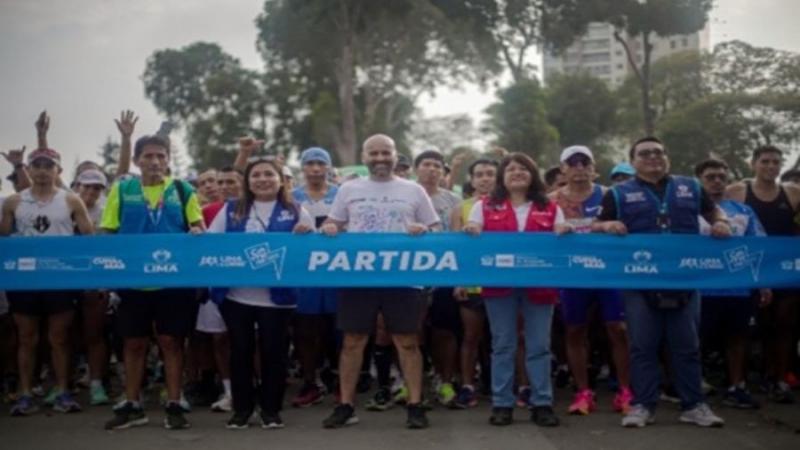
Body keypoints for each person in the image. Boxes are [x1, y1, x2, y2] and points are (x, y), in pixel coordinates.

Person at [594, 136, 729, 428]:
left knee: (687, 346)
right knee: (643, 346)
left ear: (667, 157)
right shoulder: (617, 193)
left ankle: (694, 405)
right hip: (640, 281)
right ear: (633, 161)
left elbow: (714, 211)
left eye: (658, 152)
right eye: (644, 154)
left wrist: (721, 222)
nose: (653, 157)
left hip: (685, 278)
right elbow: (595, 225)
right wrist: (607, 225)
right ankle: (643, 405)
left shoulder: (691, 186)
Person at [321, 134, 440, 430]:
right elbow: (335, 223)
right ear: (364, 158)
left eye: (385, 152)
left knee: (407, 342)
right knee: (353, 341)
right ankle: (346, 406)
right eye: (373, 153)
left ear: (395, 155)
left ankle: (415, 405)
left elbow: (437, 228)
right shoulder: (349, 189)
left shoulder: (413, 190)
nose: (380, 158)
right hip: (358, 277)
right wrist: (330, 227)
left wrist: (423, 230)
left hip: (404, 278)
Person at [101, 135, 204, 430]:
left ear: (168, 159)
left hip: (173, 282)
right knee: (133, 343)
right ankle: (133, 405)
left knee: (171, 342)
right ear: (137, 160)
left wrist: (197, 231)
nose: (155, 161)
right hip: (133, 282)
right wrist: (106, 274)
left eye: (161, 156)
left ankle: (174, 403)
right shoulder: (122, 189)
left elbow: (197, 226)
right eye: (148, 156)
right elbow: (108, 232)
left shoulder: (183, 190)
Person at [465, 152, 569, 427]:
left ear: (533, 174)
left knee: (539, 346)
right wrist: (472, 228)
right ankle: (502, 403)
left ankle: (542, 403)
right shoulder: (484, 206)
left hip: (540, 286)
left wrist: (564, 230)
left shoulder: (549, 206)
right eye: (511, 169)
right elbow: (473, 228)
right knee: (503, 345)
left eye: (523, 168)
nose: (517, 173)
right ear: (502, 176)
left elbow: (561, 231)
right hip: (500, 285)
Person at [208, 157, 313, 429]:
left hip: (278, 299)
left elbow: (308, 253)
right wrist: (198, 234)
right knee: (240, 351)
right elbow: (211, 242)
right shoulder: (231, 209)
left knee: (274, 353)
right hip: (237, 296)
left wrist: (306, 234)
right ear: (247, 181)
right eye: (256, 175)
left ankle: (270, 409)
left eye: (269, 174)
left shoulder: (296, 210)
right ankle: (242, 410)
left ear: (280, 180)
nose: (262, 179)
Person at [1, 148, 94, 415]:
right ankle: (25, 393)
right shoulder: (14, 202)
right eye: (37, 165)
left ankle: (63, 391)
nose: (42, 171)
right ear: (29, 169)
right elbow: (4, 239)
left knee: (59, 338)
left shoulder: (71, 200)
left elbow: (89, 237)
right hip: (26, 279)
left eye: (48, 166)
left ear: (58, 171)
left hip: (59, 278)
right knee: (27, 338)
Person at [549, 146, 632, 416]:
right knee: (575, 330)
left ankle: (625, 391)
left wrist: (604, 226)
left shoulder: (610, 195)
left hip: (608, 271)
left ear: (593, 167)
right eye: (572, 163)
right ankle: (583, 392)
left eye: (585, 162)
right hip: (572, 273)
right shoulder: (551, 201)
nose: (579, 168)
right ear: (563, 169)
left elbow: (625, 225)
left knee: (617, 329)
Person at [694, 158, 771, 409]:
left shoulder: (743, 211)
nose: (717, 182)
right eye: (710, 177)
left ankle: (737, 387)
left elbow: (759, 246)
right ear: (699, 181)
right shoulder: (688, 210)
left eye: (721, 177)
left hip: (739, 287)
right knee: (695, 339)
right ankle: (693, 386)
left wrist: (764, 284)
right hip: (700, 289)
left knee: (738, 338)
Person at [725, 145, 800, 403]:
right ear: (753, 163)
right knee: (748, 325)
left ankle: (778, 378)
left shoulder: (793, 192)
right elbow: (717, 215)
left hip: (783, 267)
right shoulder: (737, 191)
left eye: (776, 162)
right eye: (765, 161)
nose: (771, 166)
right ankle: (740, 380)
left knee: (784, 323)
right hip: (750, 266)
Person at [291, 147, 340, 407]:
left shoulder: (341, 194)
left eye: (321, 163)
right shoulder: (292, 197)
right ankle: (310, 381)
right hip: (305, 272)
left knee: (338, 328)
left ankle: (339, 378)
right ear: (303, 167)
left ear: (328, 167)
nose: (316, 168)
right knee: (306, 328)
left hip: (336, 270)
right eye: (310, 163)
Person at [413, 150, 461, 406]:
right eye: (426, 164)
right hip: (412, 275)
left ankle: (445, 381)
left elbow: (458, 238)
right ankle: (410, 383)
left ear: (443, 172)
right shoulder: (406, 194)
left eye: (437, 166)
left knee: (445, 331)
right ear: (416, 168)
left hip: (444, 274)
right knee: (413, 330)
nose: (432, 169)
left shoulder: (453, 200)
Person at [450, 158, 498, 408]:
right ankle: (468, 386)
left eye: (490, 173)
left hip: (503, 282)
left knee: (505, 339)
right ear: (472, 180)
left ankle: (508, 385)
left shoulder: (511, 206)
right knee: (471, 337)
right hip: (472, 283)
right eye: (479, 174)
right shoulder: (461, 208)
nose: (485, 179)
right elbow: (456, 249)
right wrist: (458, 281)